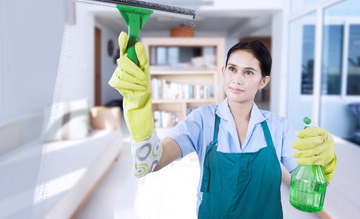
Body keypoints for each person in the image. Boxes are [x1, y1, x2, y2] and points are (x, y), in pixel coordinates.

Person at [109, 32, 337, 219]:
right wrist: (138, 111)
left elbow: (307, 178)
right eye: (232, 69)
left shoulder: (278, 128)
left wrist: (320, 162)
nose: (237, 79)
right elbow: (152, 162)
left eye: (248, 72)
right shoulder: (202, 120)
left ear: (263, 81)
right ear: (223, 72)